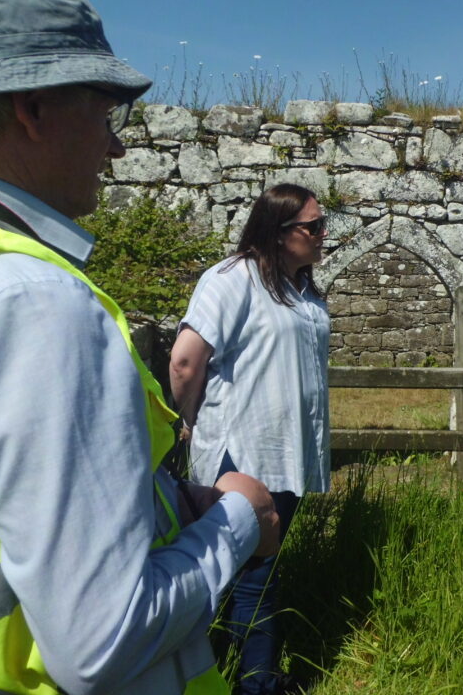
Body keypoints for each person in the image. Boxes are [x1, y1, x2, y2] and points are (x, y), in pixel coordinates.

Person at [0, 0, 280, 695]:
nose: (116, 147)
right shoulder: (30, 304)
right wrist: (242, 518)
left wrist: (170, 508)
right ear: (32, 109)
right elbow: (101, 644)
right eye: (105, 112)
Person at [170, 183, 331, 695]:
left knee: (259, 567)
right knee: (254, 573)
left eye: (324, 224)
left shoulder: (302, 290)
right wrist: (190, 421)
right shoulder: (232, 279)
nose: (323, 234)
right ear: (280, 233)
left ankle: (229, 673)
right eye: (313, 226)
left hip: (290, 450)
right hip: (243, 446)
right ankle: (255, 683)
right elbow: (185, 361)